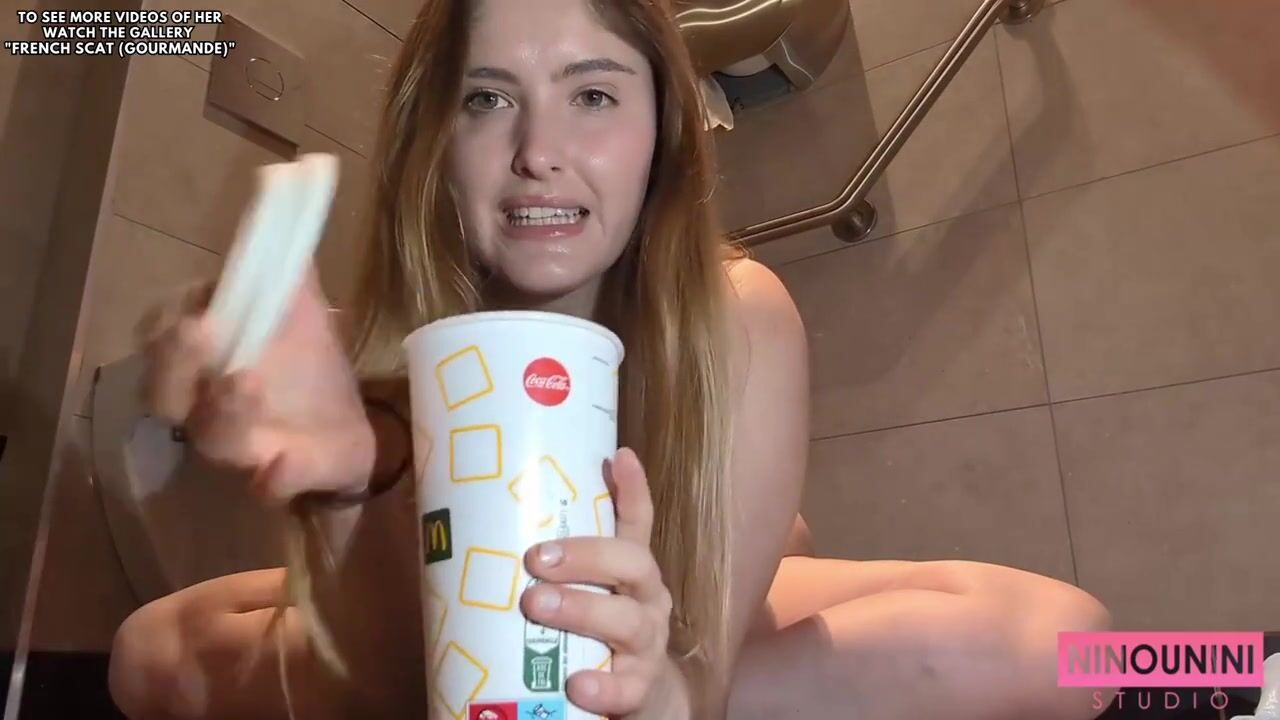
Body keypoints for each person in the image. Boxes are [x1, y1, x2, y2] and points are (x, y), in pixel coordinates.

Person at [107, 0, 1118, 718]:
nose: (538, 151)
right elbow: (403, 685)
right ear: (434, 144)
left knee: (1090, 651)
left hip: (682, 599)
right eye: (486, 99)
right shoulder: (399, 354)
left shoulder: (735, 316)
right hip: (477, 609)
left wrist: (664, 691)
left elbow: (692, 688)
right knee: (142, 654)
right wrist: (344, 482)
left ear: (662, 132)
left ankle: (772, 551)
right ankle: (773, 554)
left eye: (591, 95)